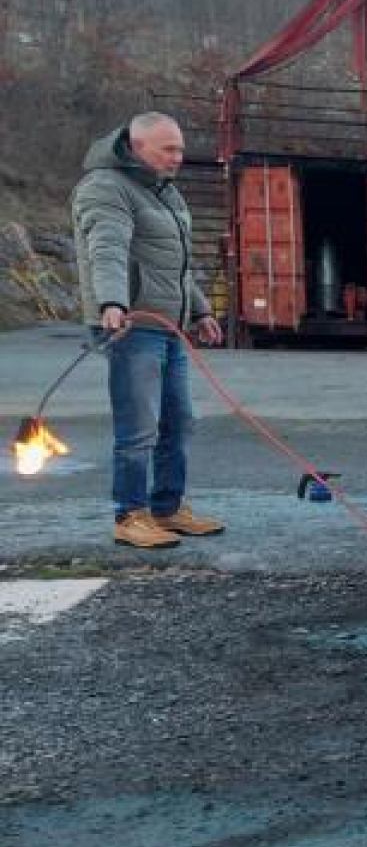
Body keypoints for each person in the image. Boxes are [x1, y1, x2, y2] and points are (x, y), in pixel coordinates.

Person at [72, 111, 226, 549]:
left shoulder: (167, 193)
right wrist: (112, 303)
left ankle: (168, 507)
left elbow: (174, 266)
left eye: (179, 148)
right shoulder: (105, 187)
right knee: (139, 427)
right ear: (136, 147)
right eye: (168, 149)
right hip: (132, 326)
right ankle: (130, 514)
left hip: (170, 326)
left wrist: (199, 311)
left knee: (179, 421)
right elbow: (108, 248)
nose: (178, 157)